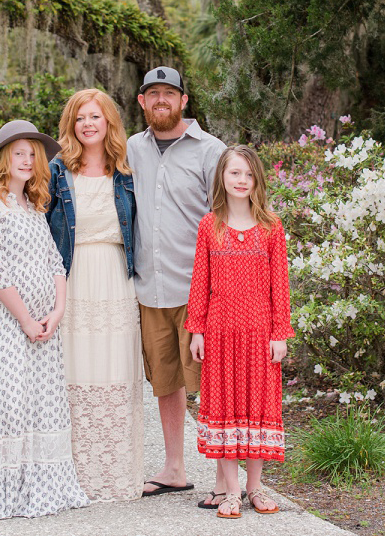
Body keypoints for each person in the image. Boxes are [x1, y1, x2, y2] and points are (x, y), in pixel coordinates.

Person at [0, 120, 90, 520]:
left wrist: (56, 311)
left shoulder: (34, 207)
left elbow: (54, 261)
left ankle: (39, 487)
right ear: (2, 158)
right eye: (19, 153)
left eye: (32, 154)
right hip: (8, 326)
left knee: (40, 404)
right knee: (11, 404)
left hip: (45, 328)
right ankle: (4, 493)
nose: (27, 160)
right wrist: (27, 321)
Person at [126, 66, 227, 504]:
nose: (161, 100)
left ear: (184, 100)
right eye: (154, 94)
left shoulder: (211, 151)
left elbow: (225, 220)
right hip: (150, 289)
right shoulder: (131, 147)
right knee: (166, 381)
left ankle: (227, 476)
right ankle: (174, 468)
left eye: (170, 93)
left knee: (214, 382)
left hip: (198, 289)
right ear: (141, 101)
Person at [186, 144, 295, 519]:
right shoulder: (209, 226)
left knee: (257, 406)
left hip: (259, 332)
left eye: (248, 174)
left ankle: (255, 487)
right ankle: (231, 491)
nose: (242, 180)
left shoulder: (270, 227)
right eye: (235, 173)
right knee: (225, 406)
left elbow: (279, 283)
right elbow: (200, 282)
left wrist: (279, 332)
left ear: (257, 180)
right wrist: (196, 329)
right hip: (220, 332)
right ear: (222, 177)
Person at [46, 89, 144, 502]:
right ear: (71, 125)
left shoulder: (127, 170)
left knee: (116, 373)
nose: (88, 124)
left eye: (96, 117)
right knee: (73, 373)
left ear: (109, 123)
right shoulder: (56, 171)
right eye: (80, 117)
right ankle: (71, 476)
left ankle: (116, 475)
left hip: (117, 281)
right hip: (73, 279)